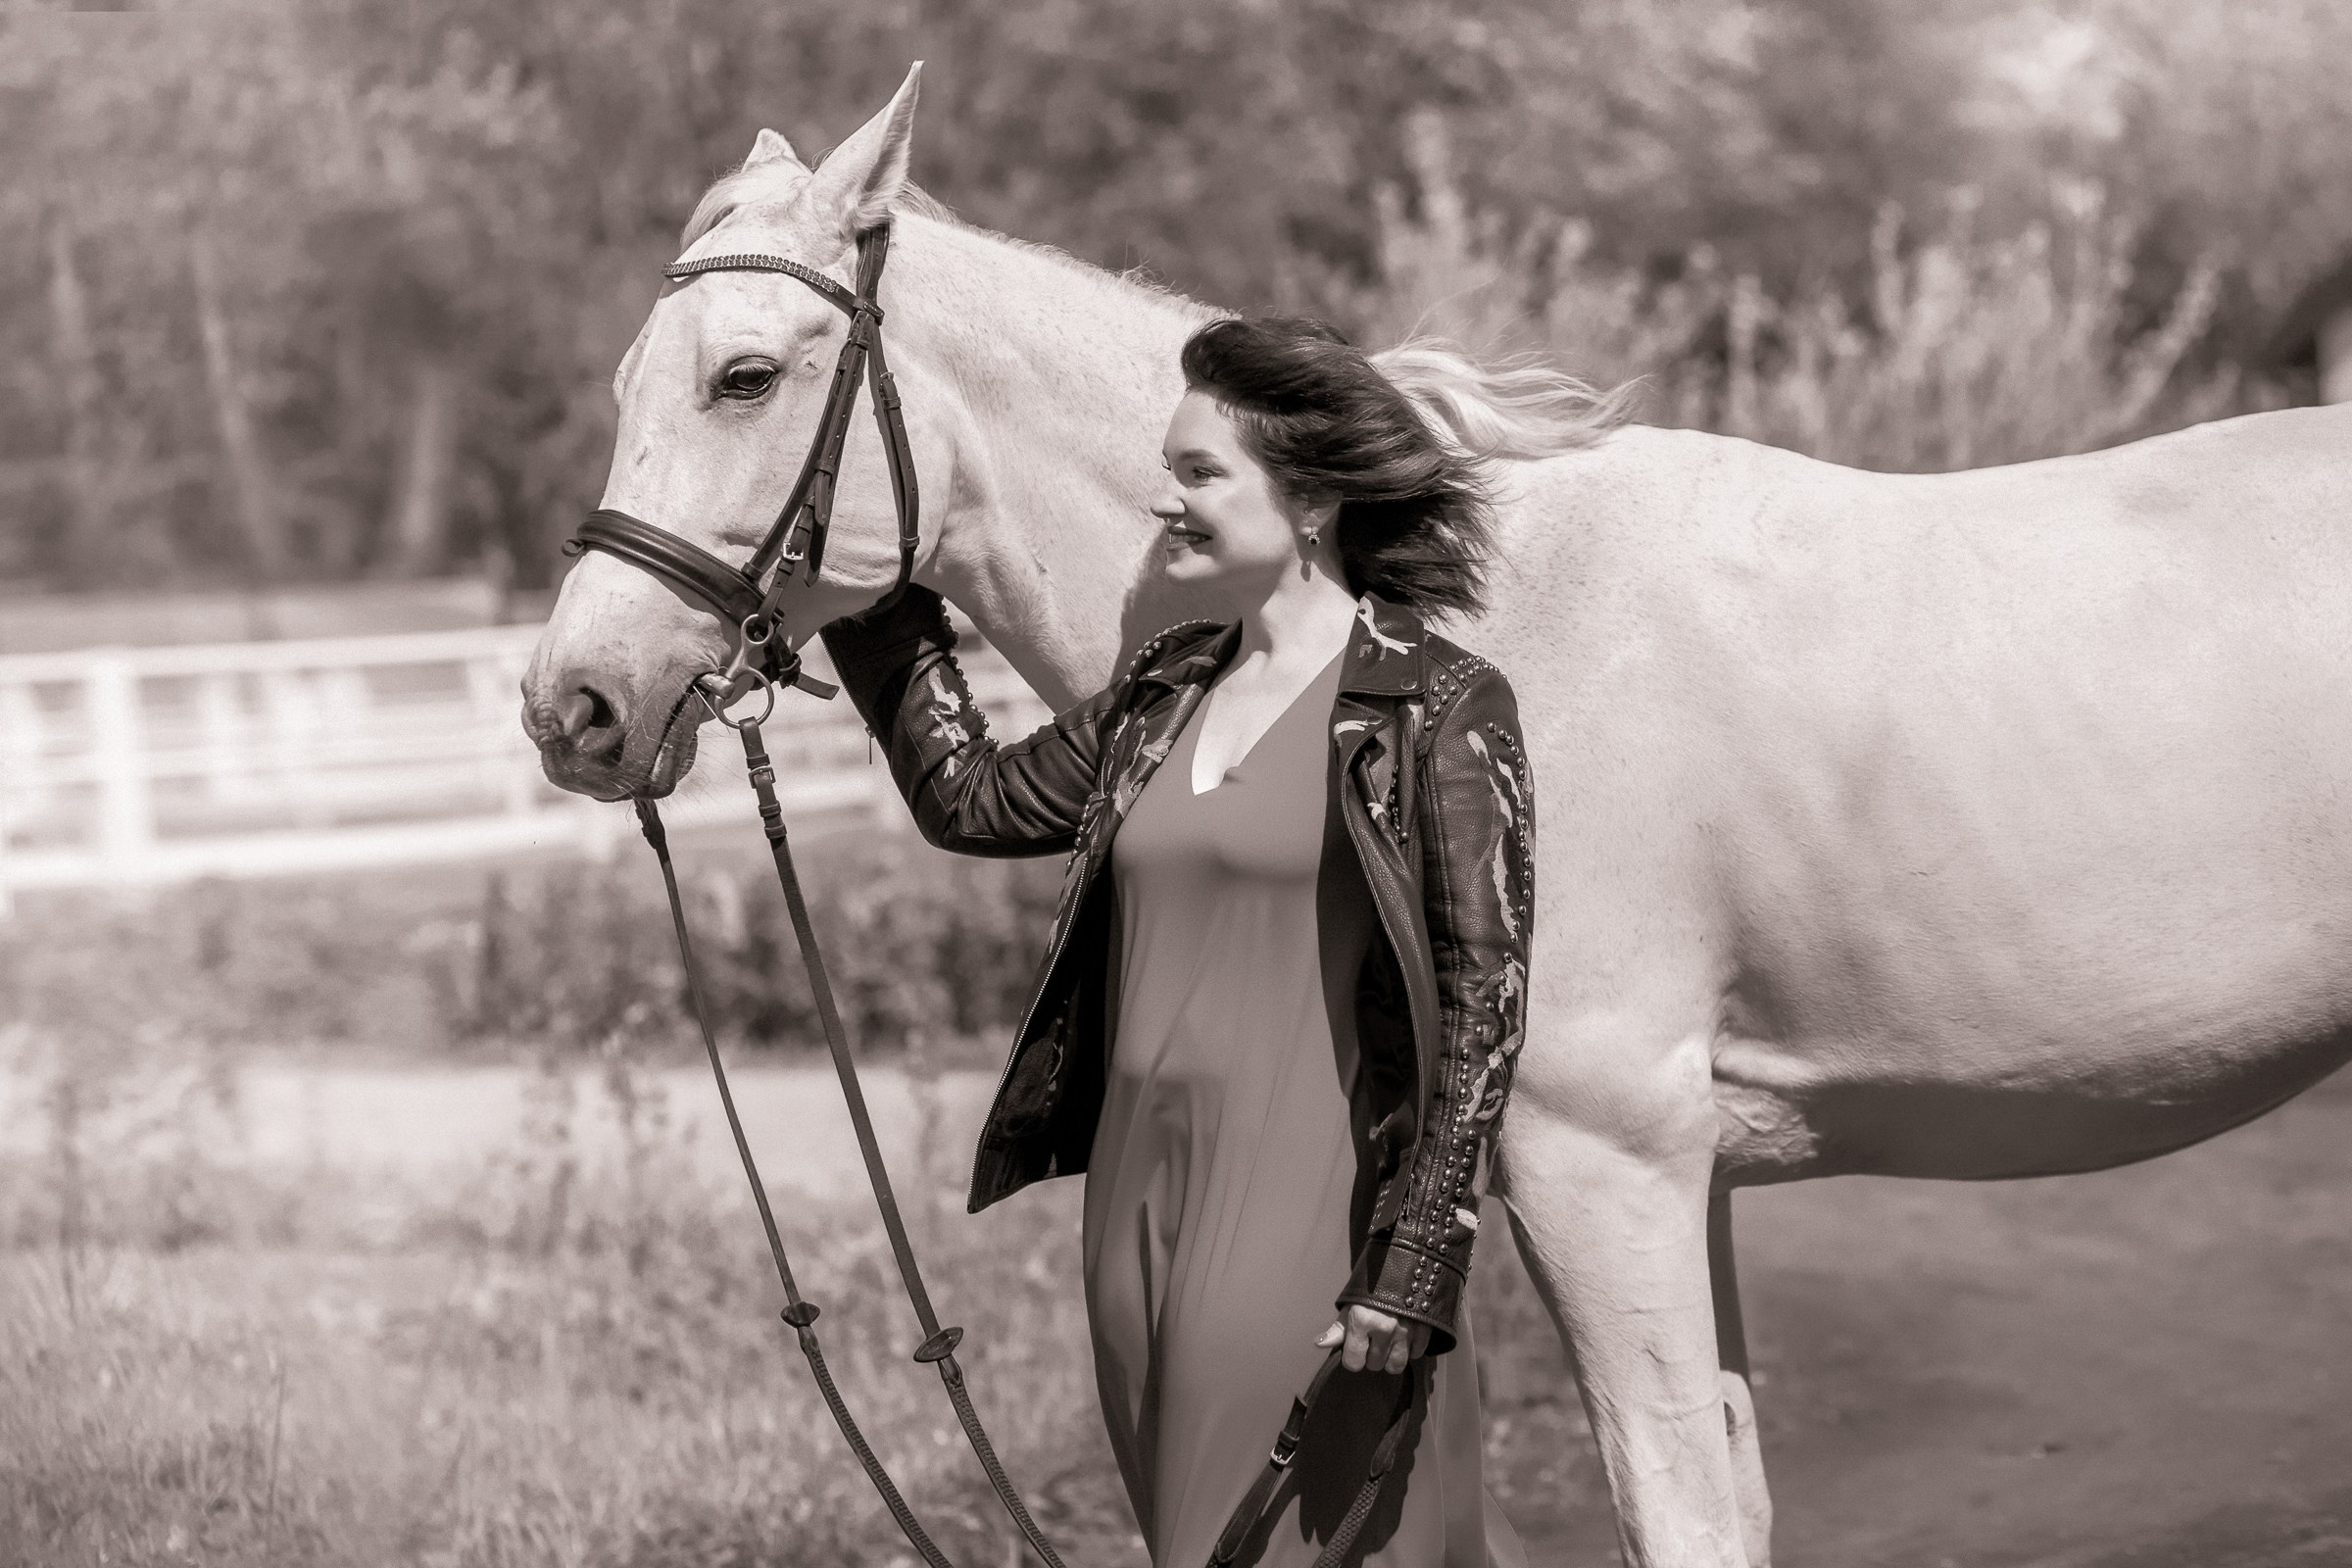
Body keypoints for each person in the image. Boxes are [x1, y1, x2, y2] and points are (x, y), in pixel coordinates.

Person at [821, 317, 1611, 1566]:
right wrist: (868, 600)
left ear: (1307, 502)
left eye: (1201, 473)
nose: (1164, 496)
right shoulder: (1165, 687)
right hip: (1137, 1206)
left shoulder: (1438, 703)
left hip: (1308, 1210)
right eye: (1171, 467)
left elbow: (1481, 1003)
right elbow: (970, 798)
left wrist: (1414, 1258)